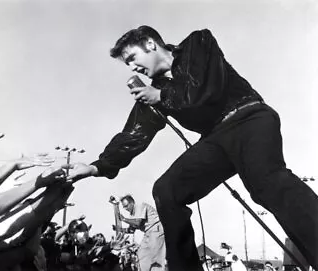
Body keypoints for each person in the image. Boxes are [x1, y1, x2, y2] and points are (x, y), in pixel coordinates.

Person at [64, 25, 318, 271]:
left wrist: (161, 97)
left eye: (132, 57)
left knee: (266, 182)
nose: (132, 67)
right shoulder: (156, 89)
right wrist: (96, 166)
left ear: (150, 44)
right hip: (215, 137)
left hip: (249, 117)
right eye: (127, 64)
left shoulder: (198, 44)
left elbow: (204, 89)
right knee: (167, 190)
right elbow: (134, 135)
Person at [118, 195, 165, 271]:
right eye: (124, 207)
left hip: (156, 230)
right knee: (141, 255)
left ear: (132, 202)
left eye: (126, 206)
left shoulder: (140, 206)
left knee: (156, 258)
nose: (125, 209)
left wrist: (124, 219)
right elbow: (131, 230)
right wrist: (121, 229)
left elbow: (138, 223)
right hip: (147, 233)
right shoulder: (132, 215)